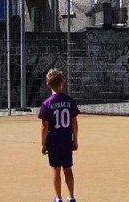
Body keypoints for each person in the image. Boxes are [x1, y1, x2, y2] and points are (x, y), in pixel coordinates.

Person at [38, 69, 80, 202]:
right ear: (62, 83)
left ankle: (58, 198)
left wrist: (43, 143)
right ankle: (71, 197)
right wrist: (75, 140)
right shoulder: (69, 101)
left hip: (53, 139)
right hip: (66, 138)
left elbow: (44, 126)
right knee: (68, 169)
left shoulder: (46, 103)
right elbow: (74, 123)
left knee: (56, 169)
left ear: (47, 84)